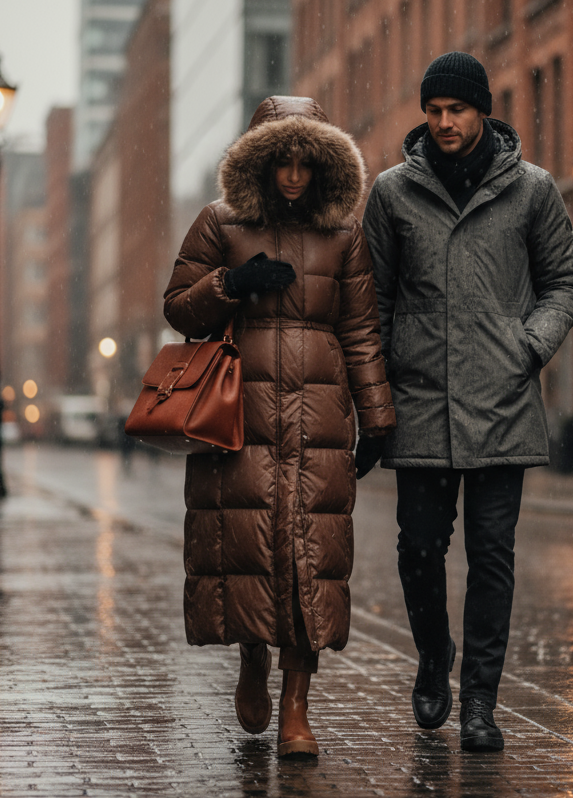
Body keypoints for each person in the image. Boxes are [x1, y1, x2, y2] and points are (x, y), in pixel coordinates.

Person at [362, 52, 573, 751]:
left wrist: (527, 348)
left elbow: (565, 281)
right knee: (419, 551)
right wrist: (383, 382)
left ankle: (481, 704)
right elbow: (373, 300)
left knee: (493, 557)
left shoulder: (533, 191)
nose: (444, 122)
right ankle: (434, 655)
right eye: (433, 111)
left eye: (456, 110)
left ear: (482, 110)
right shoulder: (392, 193)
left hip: (503, 402)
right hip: (422, 404)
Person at [164, 96, 395, 757]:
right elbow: (179, 308)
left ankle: (298, 705)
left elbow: (358, 329)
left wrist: (376, 417)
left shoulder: (344, 234)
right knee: (247, 548)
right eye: (281, 163)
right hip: (239, 413)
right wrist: (231, 283)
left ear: (320, 165)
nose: (293, 177)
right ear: (259, 163)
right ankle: (250, 657)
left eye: (304, 163)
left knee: (309, 560)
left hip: (318, 416)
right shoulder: (219, 222)